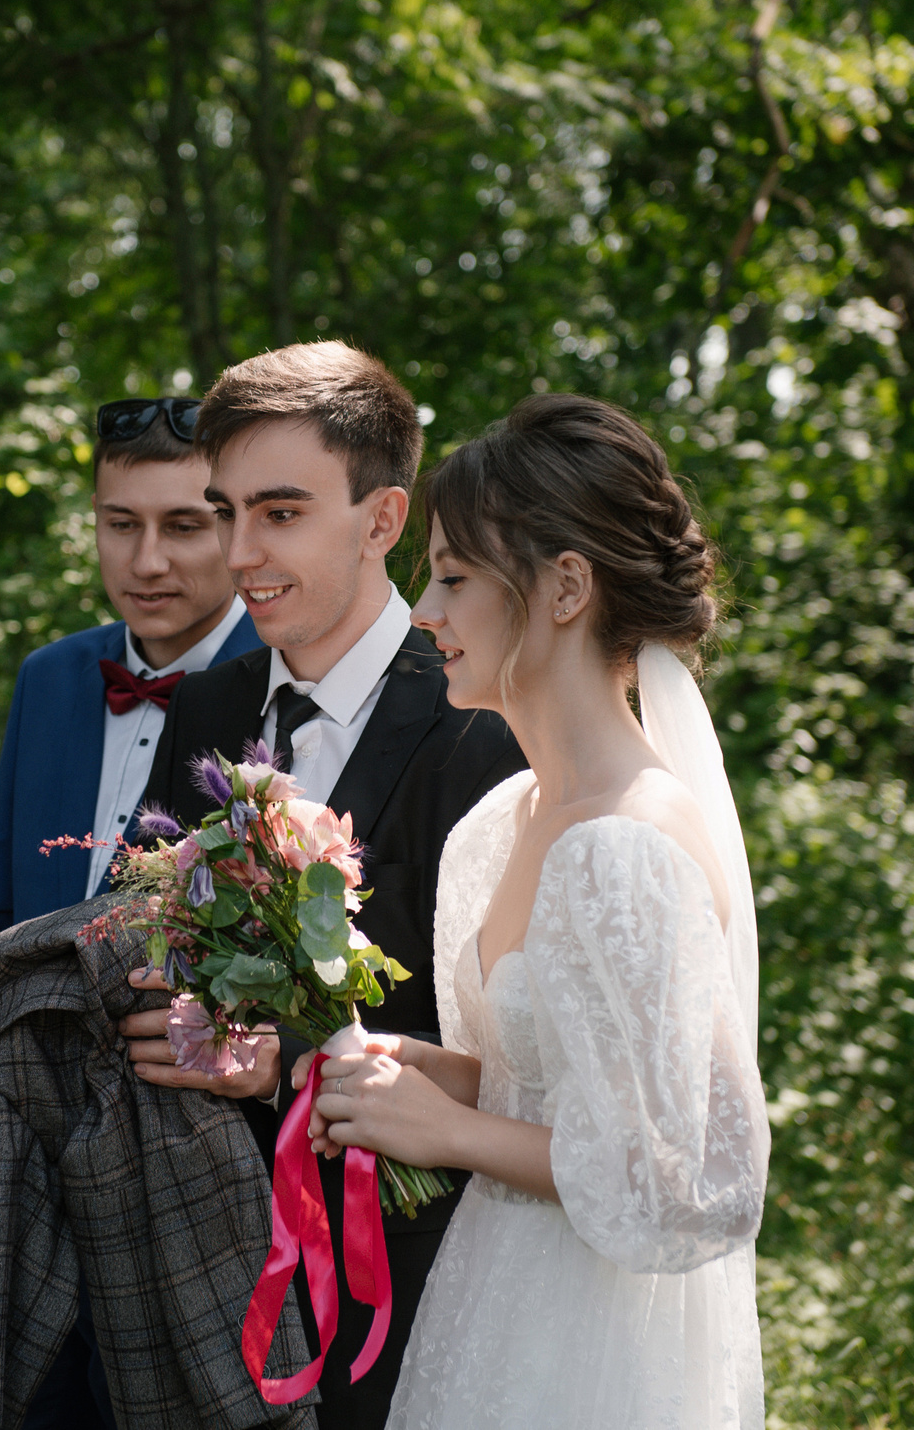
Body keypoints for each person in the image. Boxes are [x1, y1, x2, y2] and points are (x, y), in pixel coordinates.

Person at [302, 394, 769, 1429]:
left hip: (592, 1343)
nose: (425, 611)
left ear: (564, 587)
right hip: (491, 1302)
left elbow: (701, 1178)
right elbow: (565, 1087)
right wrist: (438, 1071)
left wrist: (454, 1130)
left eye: (456, 578)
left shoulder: (625, 845)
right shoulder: (504, 820)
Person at [124, 341, 526, 1430]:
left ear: (383, 520)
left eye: (282, 513)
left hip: (395, 1271)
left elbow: (512, 1051)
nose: (240, 552)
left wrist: (283, 1067)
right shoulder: (206, 709)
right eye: (228, 510)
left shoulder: (482, 724)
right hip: (195, 1252)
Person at [0, 394, 265, 1430]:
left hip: (181, 1168)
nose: (146, 559)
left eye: (182, 524)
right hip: (19, 1146)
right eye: (120, 523)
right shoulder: (52, 677)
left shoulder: (277, 688)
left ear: (234, 525)